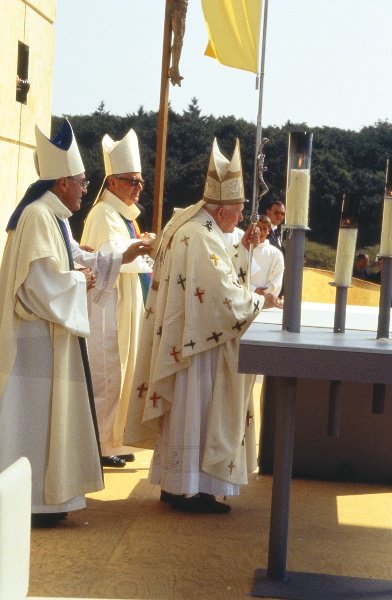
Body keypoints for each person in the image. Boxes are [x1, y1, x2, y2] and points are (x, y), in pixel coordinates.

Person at [0, 120, 152, 527]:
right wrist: (80, 281)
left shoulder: (54, 216)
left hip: (52, 339)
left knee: (51, 420)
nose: (86, 189)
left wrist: (108, 260)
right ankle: (34, 502)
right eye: (82, 182)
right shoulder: (37, 216)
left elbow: (75, 257)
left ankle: (51, 498)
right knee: (33, 420)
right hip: (35, 343)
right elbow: (38, 283)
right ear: (62, 181)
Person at [124, 138, 282, 514]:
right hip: (199, 349)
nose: (244, 213)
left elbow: (218, 271)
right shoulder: (198, 233)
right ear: (222, 209)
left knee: (188, 413)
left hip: (191, 339)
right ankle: (190, 490)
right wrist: (262, 300)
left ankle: (177, 484)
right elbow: (224, 296)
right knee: (197, 411)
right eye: (240, 208)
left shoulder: (196, 227)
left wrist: (242, 248)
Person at [81, 129, 154, 468]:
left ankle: (113, 438)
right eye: (130, 181)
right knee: (107, 374)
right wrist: (142, 250)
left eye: (140, 181)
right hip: (106, 308)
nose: (138, 187)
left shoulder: (123, 216)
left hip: (125, 303)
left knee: (122, 373)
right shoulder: (102, 215)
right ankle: (97, 443)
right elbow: (108, 255)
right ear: (111, 182)